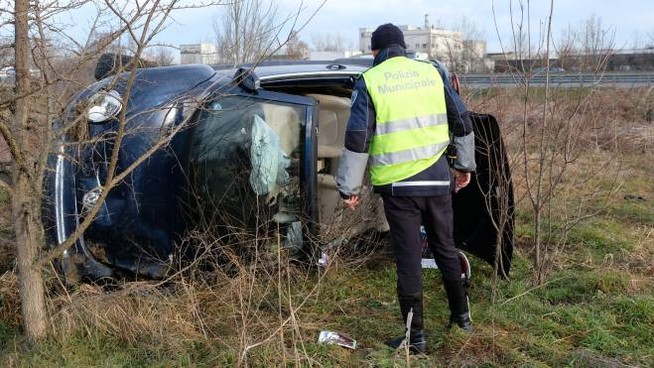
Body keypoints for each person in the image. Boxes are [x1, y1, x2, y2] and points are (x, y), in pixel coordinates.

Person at [336, 23, 476, 354]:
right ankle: (463, 319)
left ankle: (417, 340)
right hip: (438, 180)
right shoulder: (431, 73)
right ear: (403, 47)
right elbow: (462, 119)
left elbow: (358, 138)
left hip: (399, 189)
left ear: (375, 52)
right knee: (445, 247)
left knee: (409, 258)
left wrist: (348, 187)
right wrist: (464, 166)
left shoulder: (371, 81)